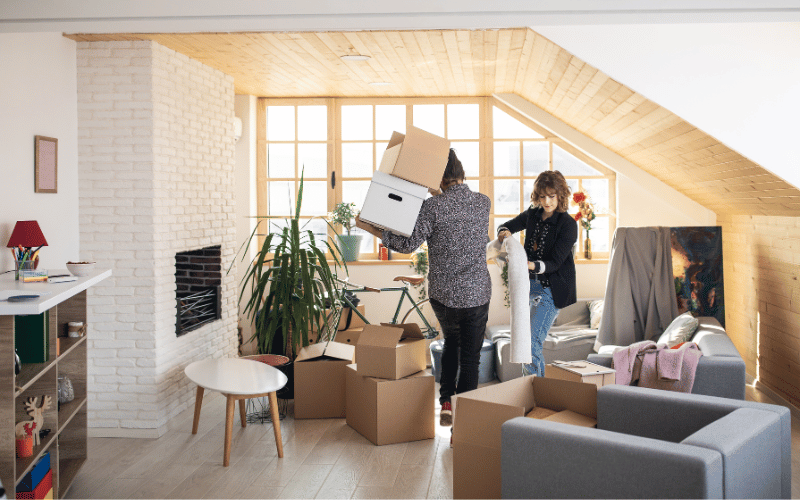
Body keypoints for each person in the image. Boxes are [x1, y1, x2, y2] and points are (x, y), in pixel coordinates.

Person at [357, 149, 491, 427]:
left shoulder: (432, 207)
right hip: (477, 294)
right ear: (462, 173)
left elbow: (406, 245)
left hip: (444, 295)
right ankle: (463, 423)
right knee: (471, 359)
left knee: (451, 344)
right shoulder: (482, 202)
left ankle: (445, 403)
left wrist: (370, 228)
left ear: (437, 180)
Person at [497, 170, 577, 376]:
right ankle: (531, 388)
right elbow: (506, 225)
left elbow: (555, 262)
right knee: (525, 341)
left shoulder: (568, 225)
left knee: (531, 341)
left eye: (552, 196)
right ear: (537, 196)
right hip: (529, 285)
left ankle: (534, 391)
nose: (547, 201)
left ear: (560, 195)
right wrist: (504, 232)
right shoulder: (532, 214)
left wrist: (529, 264)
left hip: (553, 289)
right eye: (543, 196)